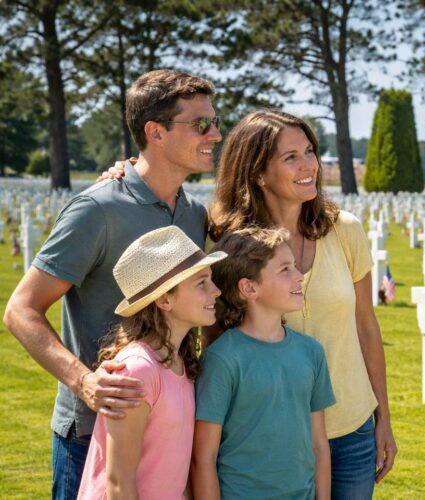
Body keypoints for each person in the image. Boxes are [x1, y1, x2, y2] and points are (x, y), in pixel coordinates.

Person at [2, 69, 221, 499]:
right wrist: (84, 381)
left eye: (215, 122)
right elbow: (20, 309)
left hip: (169, 427)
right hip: (92, 433)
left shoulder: (195, 214)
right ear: (155, 132)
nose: (215, 134)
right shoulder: (96, 209)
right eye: (200, 124)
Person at [208, 110, 397, 498]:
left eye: (309, 151)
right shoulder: (229, 245)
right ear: (257, 172)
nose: (309, 164)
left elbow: (365, 326)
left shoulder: (344, 230)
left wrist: (384, 418)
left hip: (352, 429)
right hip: (271, 438)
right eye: (290, 156)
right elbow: (215, 338)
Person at [78, 226, 226, 499]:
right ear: (165, 300)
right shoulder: (137, 369)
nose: (216, 291)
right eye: (201, 283)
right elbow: (119, 483)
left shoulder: (181, 363)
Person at [192, 226, 335, 499]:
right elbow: (203, 457)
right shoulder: (222, 359)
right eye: (285, 270)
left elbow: (319, 445)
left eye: (295, 266)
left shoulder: (312, 353)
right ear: (249, 288)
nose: (299, 276)